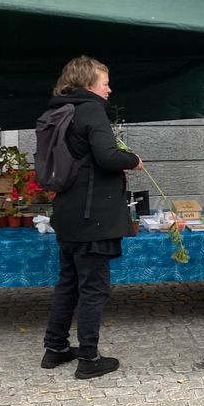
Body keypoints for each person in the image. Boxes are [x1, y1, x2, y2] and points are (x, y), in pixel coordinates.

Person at [42, 55, 144, 379]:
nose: (109, 89)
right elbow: (107, 156)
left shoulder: (59, 110)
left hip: (67, 215)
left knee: (68, 283)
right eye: (105, 82)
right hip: (93, 218)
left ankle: (55, 348)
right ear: (89, 83)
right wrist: (133, 159)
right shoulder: (91, 110)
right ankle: (89, 358)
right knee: (93, 289)